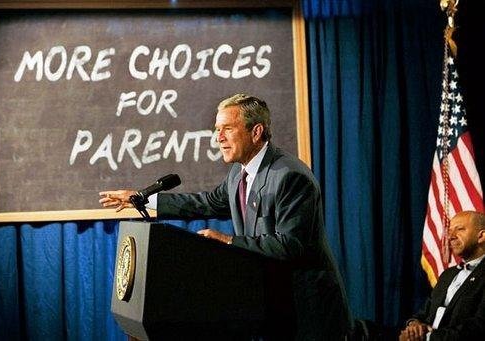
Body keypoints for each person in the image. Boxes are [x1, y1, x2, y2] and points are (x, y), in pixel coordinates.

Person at [99, 93, 351, 340]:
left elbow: (289, 245)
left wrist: (229, 242)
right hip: (273, 307)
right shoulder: (238, 173)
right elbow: (207, 203)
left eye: (227, 129)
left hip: (307, 312)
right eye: (217, 129)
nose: (218, 138)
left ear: (256, 132)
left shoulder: (289, 176)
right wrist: (143, 198)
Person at [399, 210, 485, 340]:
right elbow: (424, 313)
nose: (451, 236)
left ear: (481, 236)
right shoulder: (447, 275)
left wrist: (427, 337)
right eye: (450, 231)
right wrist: (414, 325)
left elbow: (478, 327)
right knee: (362, 329)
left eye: (460, 229)